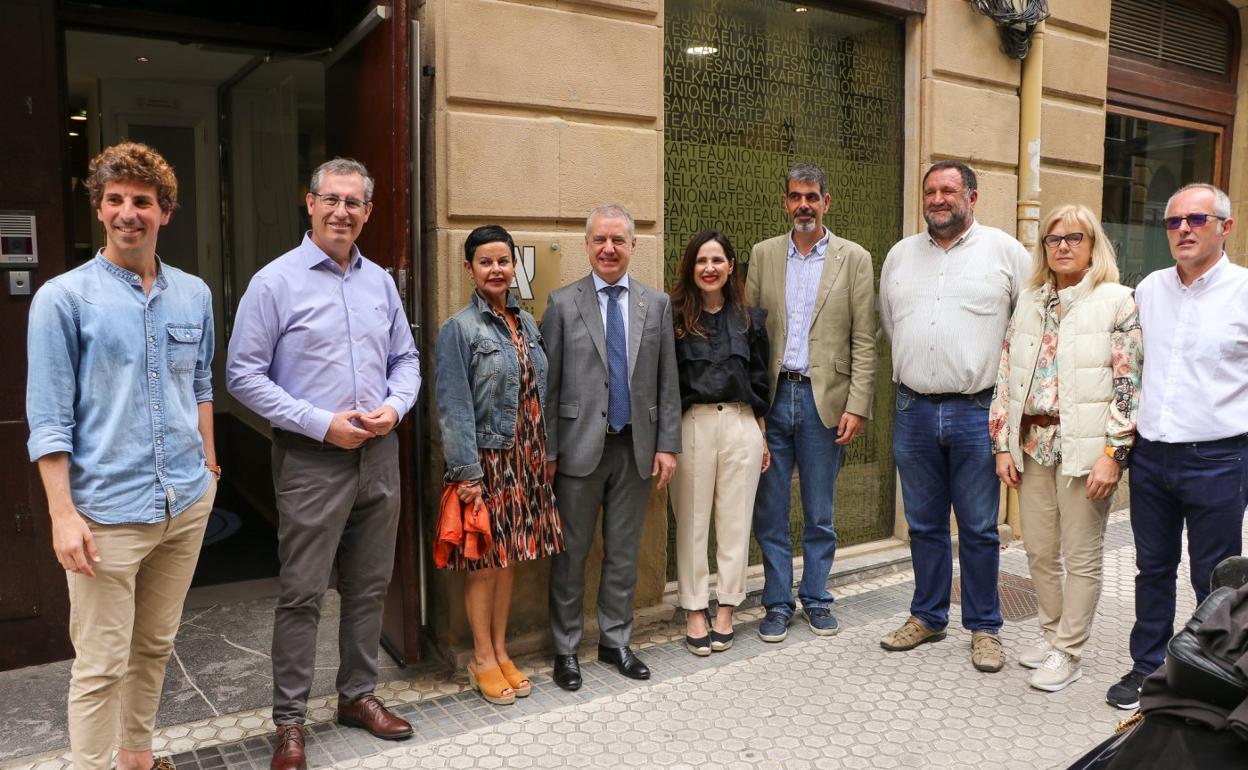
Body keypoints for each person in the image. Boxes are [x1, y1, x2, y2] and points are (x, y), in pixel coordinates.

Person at [26, 142, 218, 770]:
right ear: (100, 209)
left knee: (155, 646)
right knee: (100, 665)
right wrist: (62, 515)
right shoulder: (63, 298)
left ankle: (138, 758)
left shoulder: (193, 294)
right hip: (106, 513)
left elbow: (200, 386)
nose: (128, 212)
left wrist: (209, 468)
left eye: (143, 201)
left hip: (184, 502)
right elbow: (49, 420)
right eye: (116, 200)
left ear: (166, 211)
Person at [226, 158, 422, 766]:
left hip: (379, 455)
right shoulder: (274, 283)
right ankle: (290, 721)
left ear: (368, 212)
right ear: (308, 203)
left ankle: (357, 696)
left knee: (368, 586)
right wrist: (320, 423)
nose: (342, 211)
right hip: (311, 460)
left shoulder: (380, 283)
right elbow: (241, 376)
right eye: (330, 199)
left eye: (354, 202)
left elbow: (406, 359)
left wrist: (394, 408)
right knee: (304, 593)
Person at [878, 160, 1030, 673]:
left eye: (948, 190)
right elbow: (890, 325)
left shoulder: (1006, 253)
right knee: (922, 523)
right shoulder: (900, 256)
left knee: (981, 527)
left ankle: (985, 628)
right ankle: (927, 616)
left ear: (972, 196)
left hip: (977, 410)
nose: (938, 199)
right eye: (930, 191)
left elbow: (1026, 331)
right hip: (913, 408)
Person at [1106, 183, 1248, 710]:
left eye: (1196, 219)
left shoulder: (1244, 291)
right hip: (1152, 458)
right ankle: (1148, 667)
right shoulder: (1148, 290)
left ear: (1224, 227)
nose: (1184, 229)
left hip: (1219, 458)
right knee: (1153, 567)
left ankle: (1216, 673)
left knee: (1214, 576)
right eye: (1173, 222)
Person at [989, 204, 1142, 692]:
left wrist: (1113, 453)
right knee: (1038, 550)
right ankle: (1050, 634)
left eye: (1074, 238)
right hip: (1033, 443)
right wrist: (1002, 443)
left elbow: (1128, 385)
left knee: (1080, 555)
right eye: (1053, 239)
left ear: (1093, 245)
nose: (1063, 247)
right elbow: (1005, 374)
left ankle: (1070, 650)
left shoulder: (1118, 301)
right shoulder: (1031, 301)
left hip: (1085, 448)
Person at [542, 203, 682, 691]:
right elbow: (549, 385)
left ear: (633, 246)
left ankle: (615, 640)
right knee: (572, 554)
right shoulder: (562, 304)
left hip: (635, 448)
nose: (608, 248)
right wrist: (549, 451)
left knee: (623, 551)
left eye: (618, 240)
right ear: (587, 245)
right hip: (579, 451)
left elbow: (668, 383)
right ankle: (565, 648)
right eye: (600, 240)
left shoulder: (655, 304)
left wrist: (668, 445)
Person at [745, 162, 877, 643]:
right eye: (796, 196)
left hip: (827, 401)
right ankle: (778, 602)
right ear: (785, 202)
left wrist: (858, 404)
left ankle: (818, 598)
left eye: (812, 197)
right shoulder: (763, 256)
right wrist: (753, 407)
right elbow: (751, 335)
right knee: (771, 510)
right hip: (775, 399)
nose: (804, 205)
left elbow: (865, 338)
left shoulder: (854, 258)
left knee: (820, 511)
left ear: (827, 201)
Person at [434, 225, 564, 704]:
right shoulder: (459, 330)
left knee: (510, 562)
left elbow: (538, 395)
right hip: (486, 464)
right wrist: (466, 474)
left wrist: (545, 455)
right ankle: (481, 658)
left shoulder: (526, 323)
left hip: (526, 461)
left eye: (503, 261)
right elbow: (453, 406)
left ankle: (502, 648)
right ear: (469, 268)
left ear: (515, 267)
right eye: (485, 262)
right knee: (484, 565)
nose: (496, 270)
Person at [669, 230, 770, 654]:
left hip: (742, 424)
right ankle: (694, 608)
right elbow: (666, 384)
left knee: (734, 522)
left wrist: (761, 438)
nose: (709, 268)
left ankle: (726, 607)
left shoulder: (750, 319)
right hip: (692, 425)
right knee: (692, 522)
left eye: (717, 260)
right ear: (691, 268)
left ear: (731, 267)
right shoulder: (672, 319)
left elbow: (761, 380)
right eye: (701, 261)